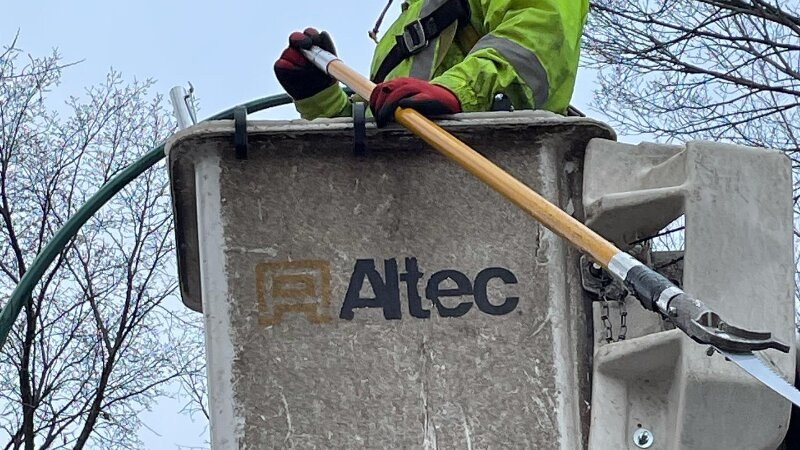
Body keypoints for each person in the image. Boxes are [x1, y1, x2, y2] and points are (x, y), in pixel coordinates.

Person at [274, 0, 589, 127]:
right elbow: (381, 121)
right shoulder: (406, 20)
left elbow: (538, 43)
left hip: (488, 188)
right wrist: (322, 99)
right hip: (400, 209)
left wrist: (458, 93)